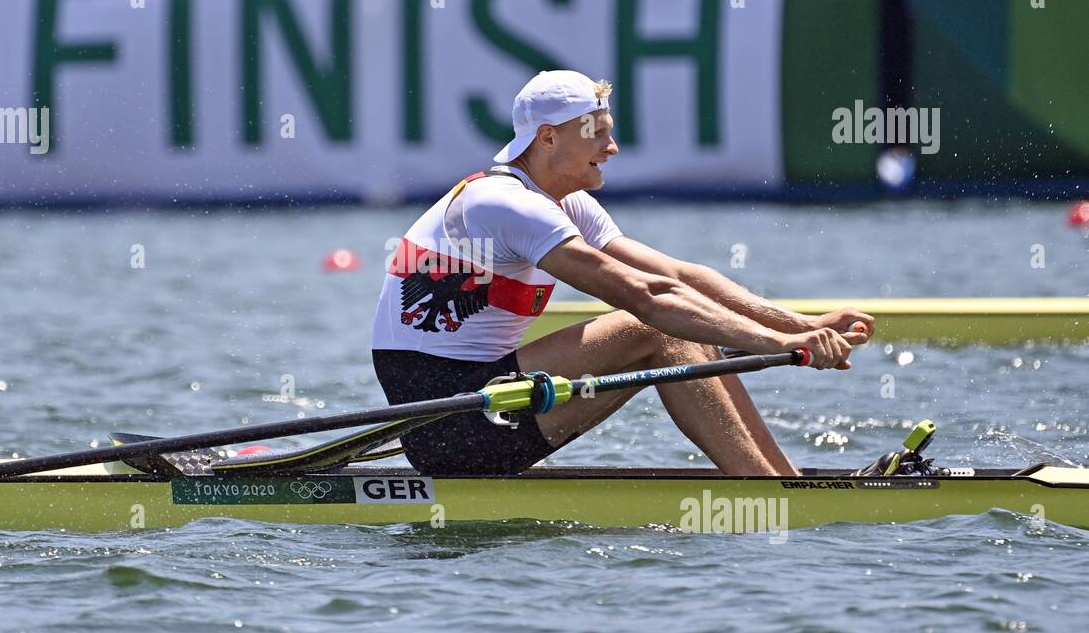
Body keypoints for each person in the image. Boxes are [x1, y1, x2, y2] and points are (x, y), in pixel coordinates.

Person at [370, 70, 872, 477]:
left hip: (485, 401)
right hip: (447, 423)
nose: (612, 148)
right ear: (548, 138)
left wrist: (797, 324)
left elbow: (678, 275)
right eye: (598, 133)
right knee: (654, 326)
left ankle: (784, 484)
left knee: (683, 326)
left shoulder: (567, 203)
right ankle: (774, 497)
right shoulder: (504, 203)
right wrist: (770, 343)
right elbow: (649, 297)